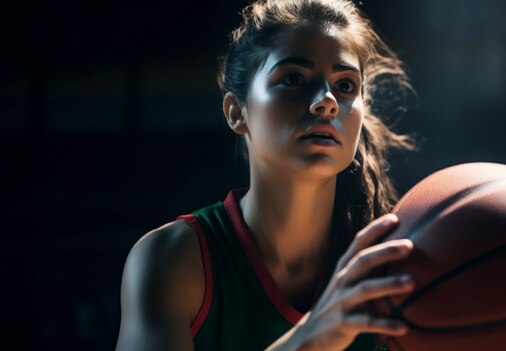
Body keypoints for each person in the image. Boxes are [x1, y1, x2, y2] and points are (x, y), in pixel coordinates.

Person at [115, 0, 417, 350]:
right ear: (236, 112)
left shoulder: (390, 263)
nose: (327, 101)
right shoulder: (173, 260)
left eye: (346, 85)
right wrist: (311, 339)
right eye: (293, 78)